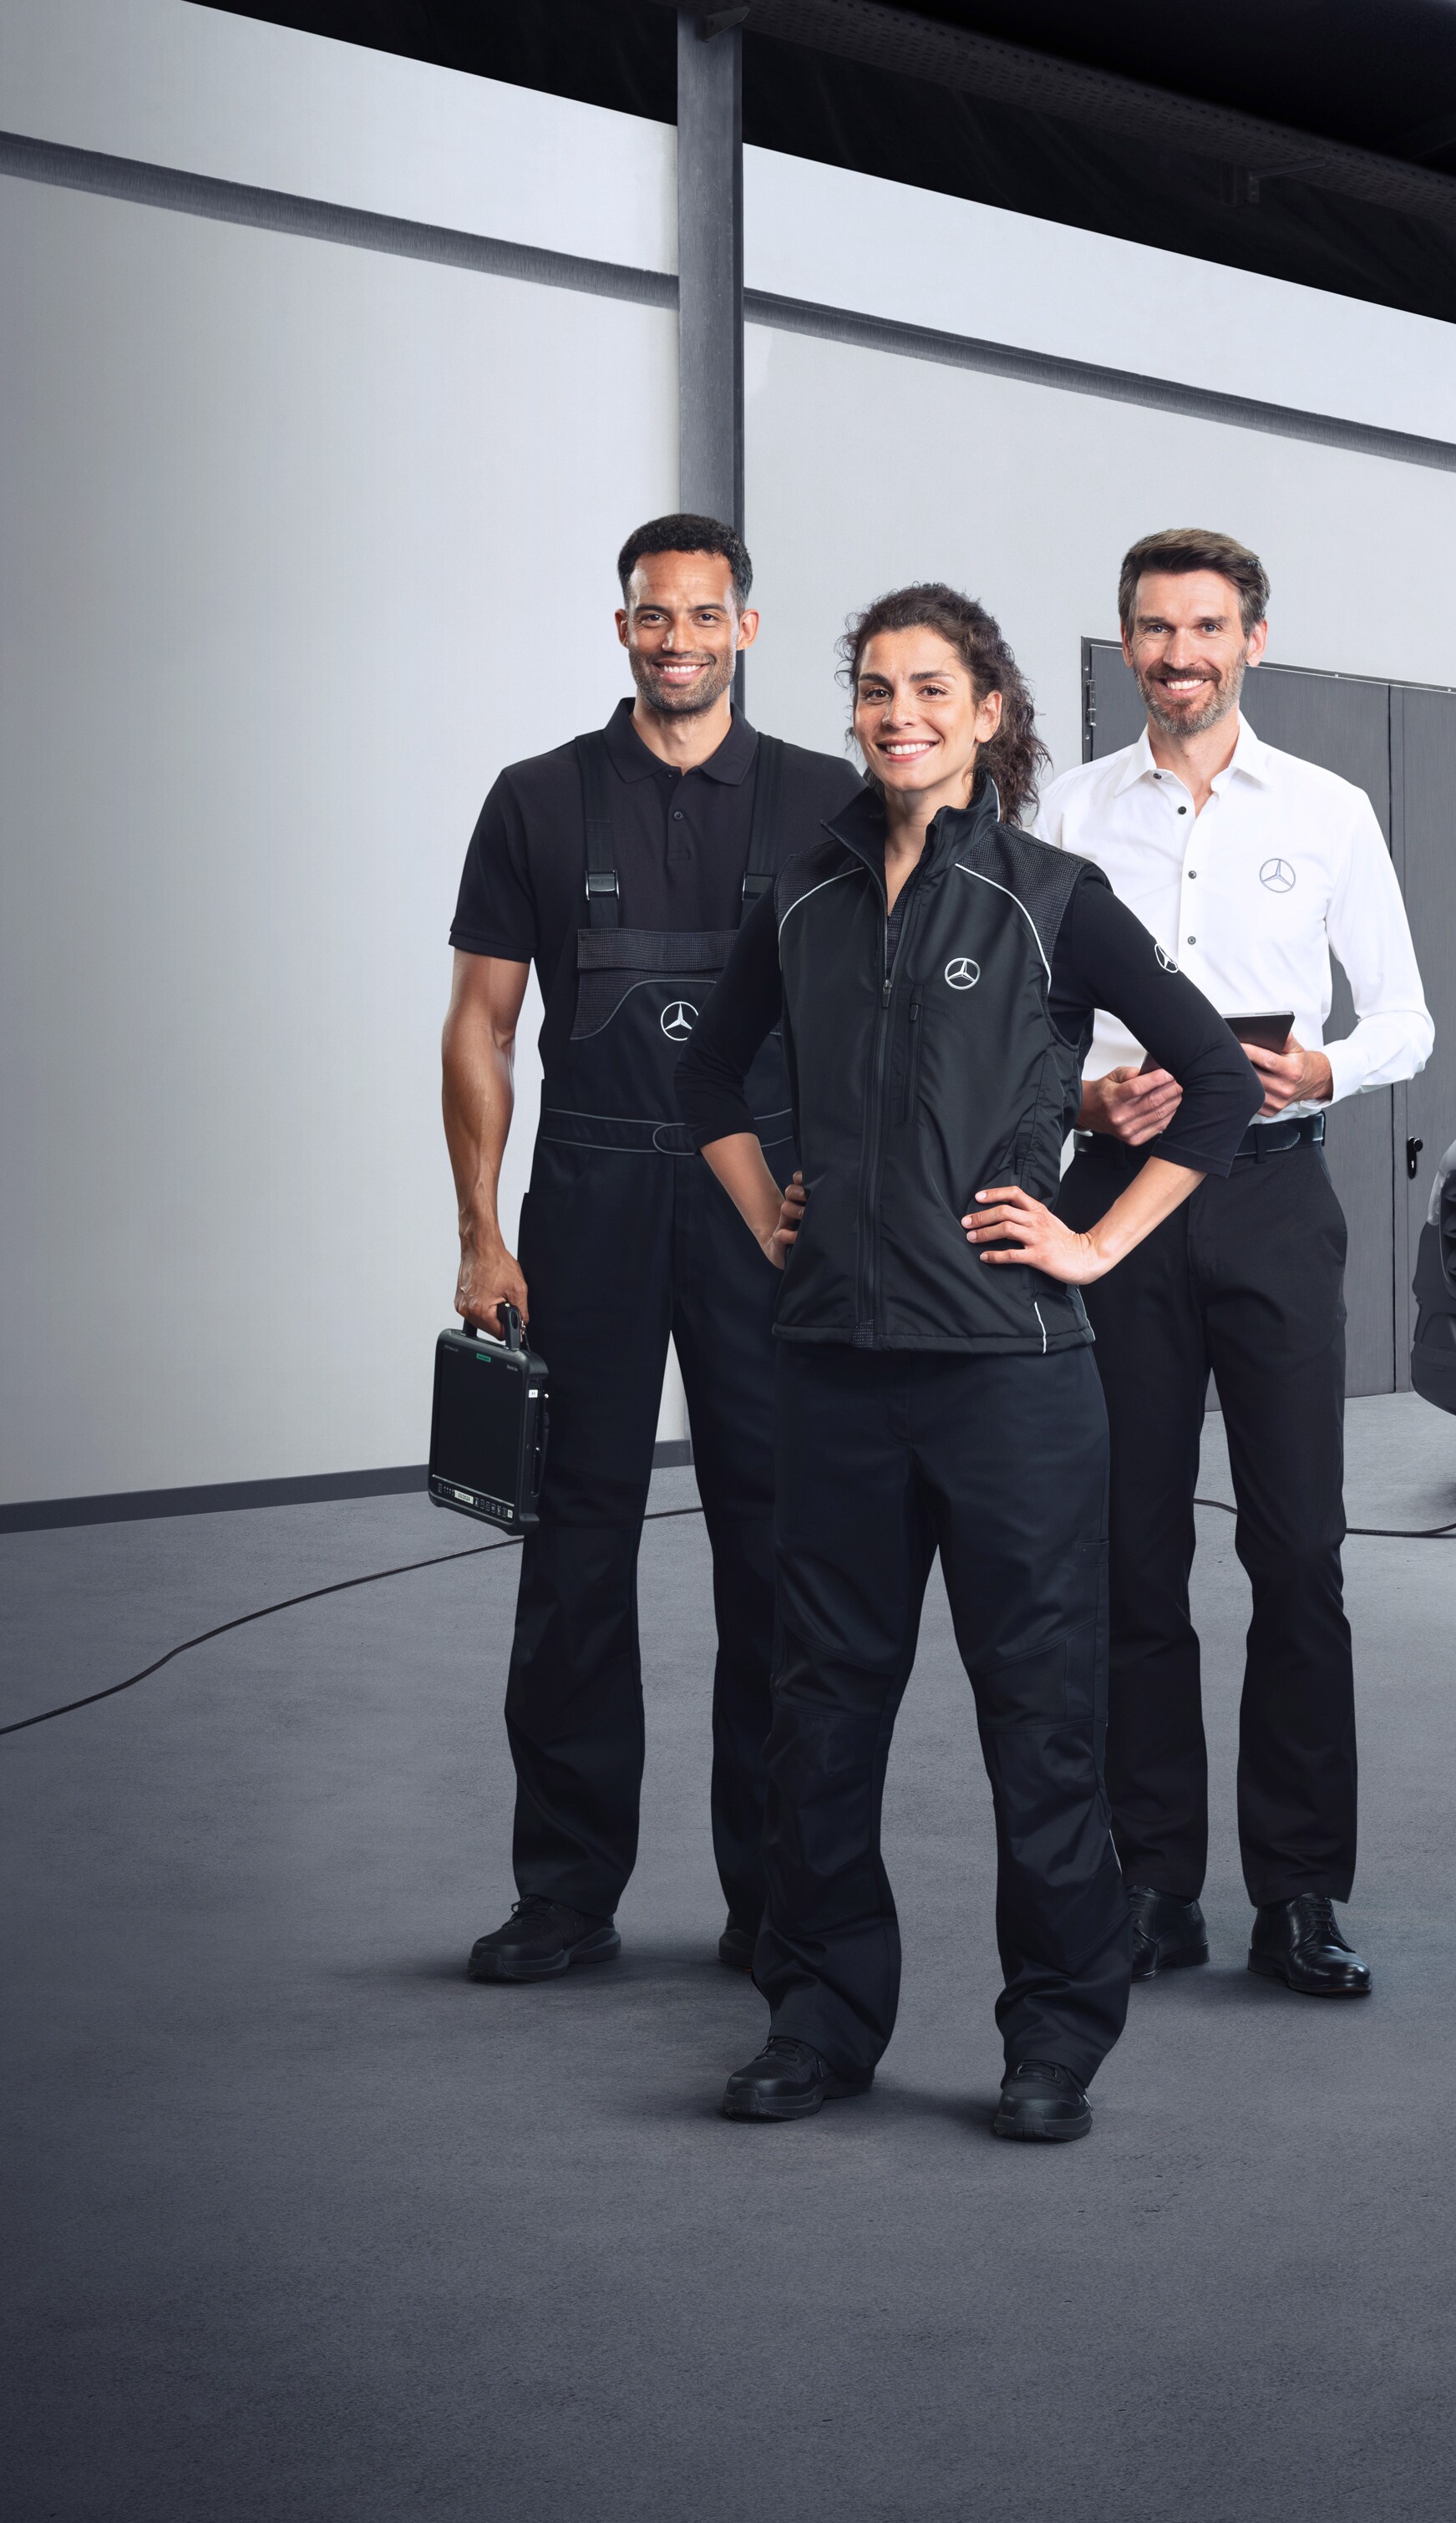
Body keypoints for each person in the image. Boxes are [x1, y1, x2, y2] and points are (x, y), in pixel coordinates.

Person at [680, 583, 1260, 2141]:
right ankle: (817, 2018)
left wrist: (1094, 1242)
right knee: (821, 1714)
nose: (900, 715)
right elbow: (707, 1077)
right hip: (833, 1371)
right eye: (877, 689)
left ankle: (1054, 2033)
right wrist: (770, 1211)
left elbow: (1213, 1080)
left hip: (1010, 1380)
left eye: (932, 688)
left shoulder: (1049, 896)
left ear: (989, 713)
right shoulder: (802, 895)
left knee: (1039, 1718)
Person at [443, 514, 860, 1983]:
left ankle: (775, 1894)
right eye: (652, 614)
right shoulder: (536, 798)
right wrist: (481, 1232)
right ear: (621, 626)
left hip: (768, 1204)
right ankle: (564, 1890)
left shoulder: (828, 799)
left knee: (779, 1548)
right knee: (572, 1546)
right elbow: (481, 1025)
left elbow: (876, 1020)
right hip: (592, 1202)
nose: (676, 638)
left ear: (745, 626)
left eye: (701, 613)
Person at [1037, 527, 1433, 1999]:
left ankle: (1300, 1893)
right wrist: (1085, 1099)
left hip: (1271, 1197)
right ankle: (1153, 1883)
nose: (1179, 654)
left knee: (1298, 1554)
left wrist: (1323, 1066)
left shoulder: (1327, 810)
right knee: (1130, 1550)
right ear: (1126, 643)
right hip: (1118, 1202)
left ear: (1252, 639)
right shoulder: (1071, 811)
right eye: (1154, 628)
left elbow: (1405, 1017)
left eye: (1205, 627)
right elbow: (1028, 1017)